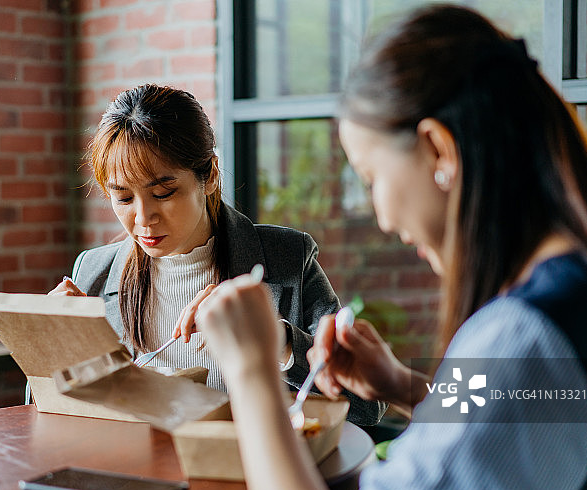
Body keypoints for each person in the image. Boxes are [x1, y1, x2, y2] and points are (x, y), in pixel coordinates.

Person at [196, 5, 587, 490]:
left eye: (372, 176)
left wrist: (252, 373)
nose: (380, 216)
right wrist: (405, 387)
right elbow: (525, 435)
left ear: (438, 149)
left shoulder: (521, 337)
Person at [48, 84, 385, 427]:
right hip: (135, 474)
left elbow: (366, 407)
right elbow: (50, 414)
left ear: (208, 175)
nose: (143, 217)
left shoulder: (287, 259)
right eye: (123, 198)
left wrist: (276, 340)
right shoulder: (94, 271)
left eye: (163, 193)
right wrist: (51, 348)